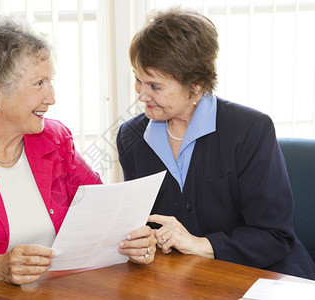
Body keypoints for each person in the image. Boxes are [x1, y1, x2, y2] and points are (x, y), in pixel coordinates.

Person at [0, 17, 156, 299]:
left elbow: (105, 213)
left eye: (50, 81)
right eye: (39, 84)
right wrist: (0, 267)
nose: (52, 97)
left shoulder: (56, 140)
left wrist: (134, 240)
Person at [116, 6, 315, 280]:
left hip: (265, 276)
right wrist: (141, 244)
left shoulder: (249, 130)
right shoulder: (132, 137)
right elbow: (142, 225)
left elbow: (275, 236)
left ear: (196, 84)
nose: (141, 95)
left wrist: (200, 244)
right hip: (183, 279)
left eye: (156, 86)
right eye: (138, 80)